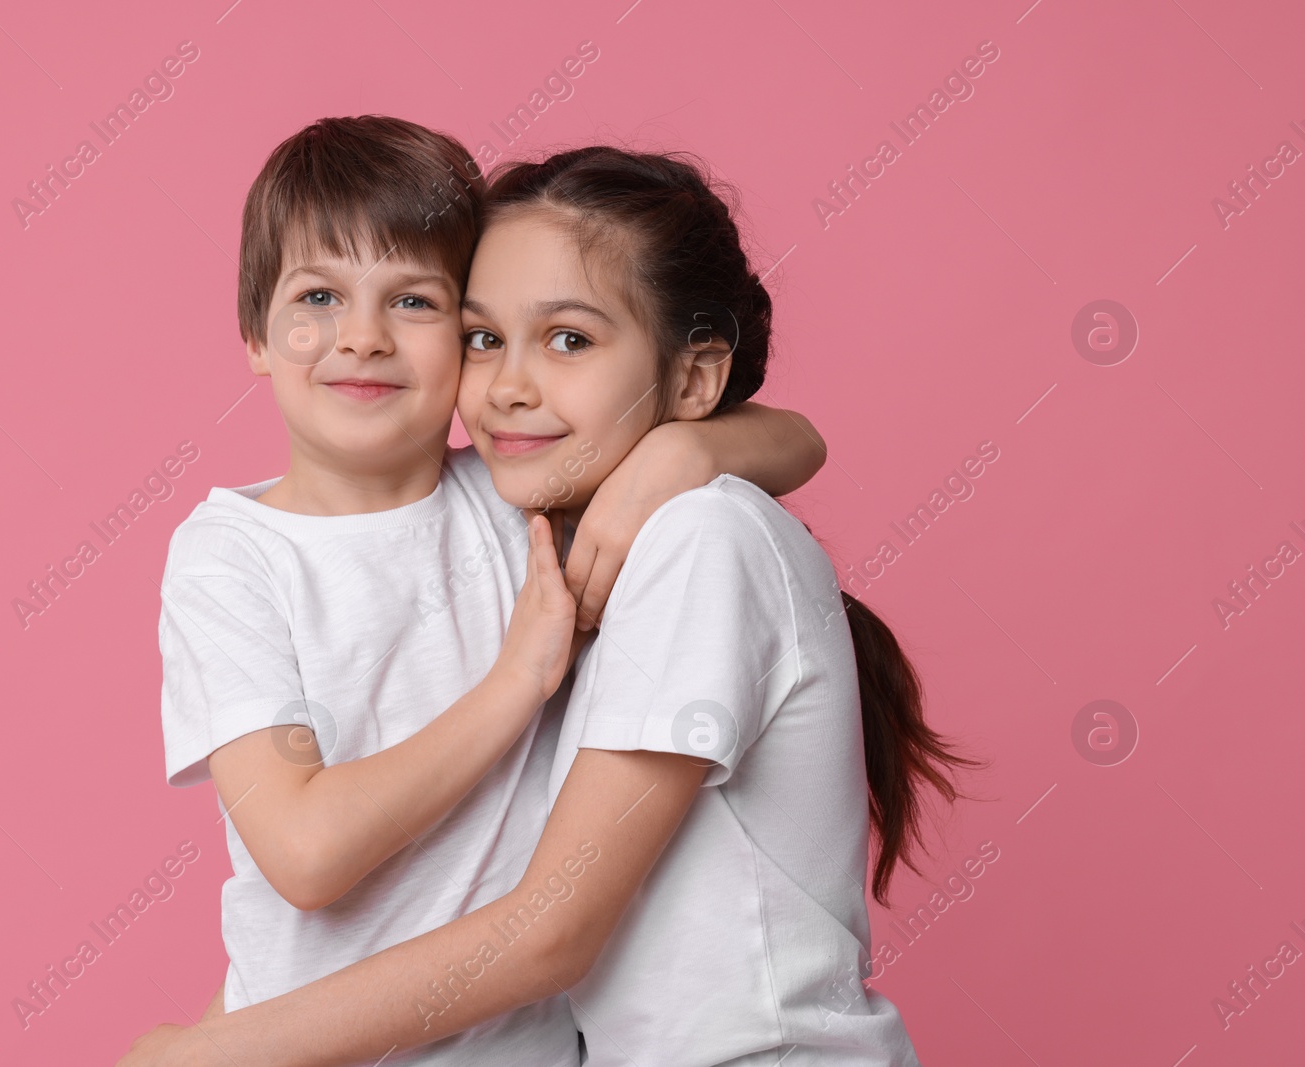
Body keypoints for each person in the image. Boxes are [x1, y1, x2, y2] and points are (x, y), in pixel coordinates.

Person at [121, 145, 976, 1067]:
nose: (513, 384)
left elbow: (548, 932)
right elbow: (331, 876)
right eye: (488, 339)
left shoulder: (690, 537)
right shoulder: (564, 527)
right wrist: (689, 451)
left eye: (568, 338)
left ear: (693, 377)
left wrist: (208, 1053)